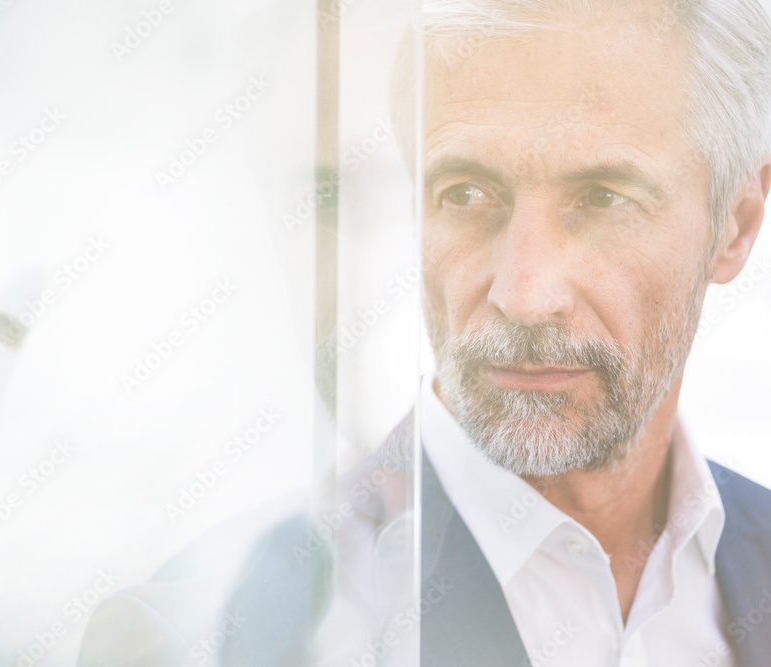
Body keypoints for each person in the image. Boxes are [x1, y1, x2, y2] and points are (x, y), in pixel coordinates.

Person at [79, 1, 771, 665]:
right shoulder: (210, 633)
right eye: (465, 193)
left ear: (735, 224)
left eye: (604, 198)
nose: (524, 295)